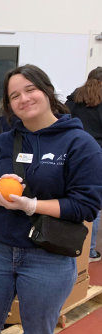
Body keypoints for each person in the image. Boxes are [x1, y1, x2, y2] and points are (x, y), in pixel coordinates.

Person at [0, 64, 102, 334]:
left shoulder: (80, 144)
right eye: (14, 95)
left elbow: (85, 206)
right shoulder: (3, 142)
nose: (24, 99)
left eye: (30, 89)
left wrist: (32, 205)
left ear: (47, 90)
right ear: (9, 104)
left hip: (49, 257)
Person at [65, 66, 102, 262]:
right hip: (96, 156)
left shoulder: (71, 101)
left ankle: (69, 244)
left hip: (69, 154)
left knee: (73, 199)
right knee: (92, 203)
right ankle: (89, 251)